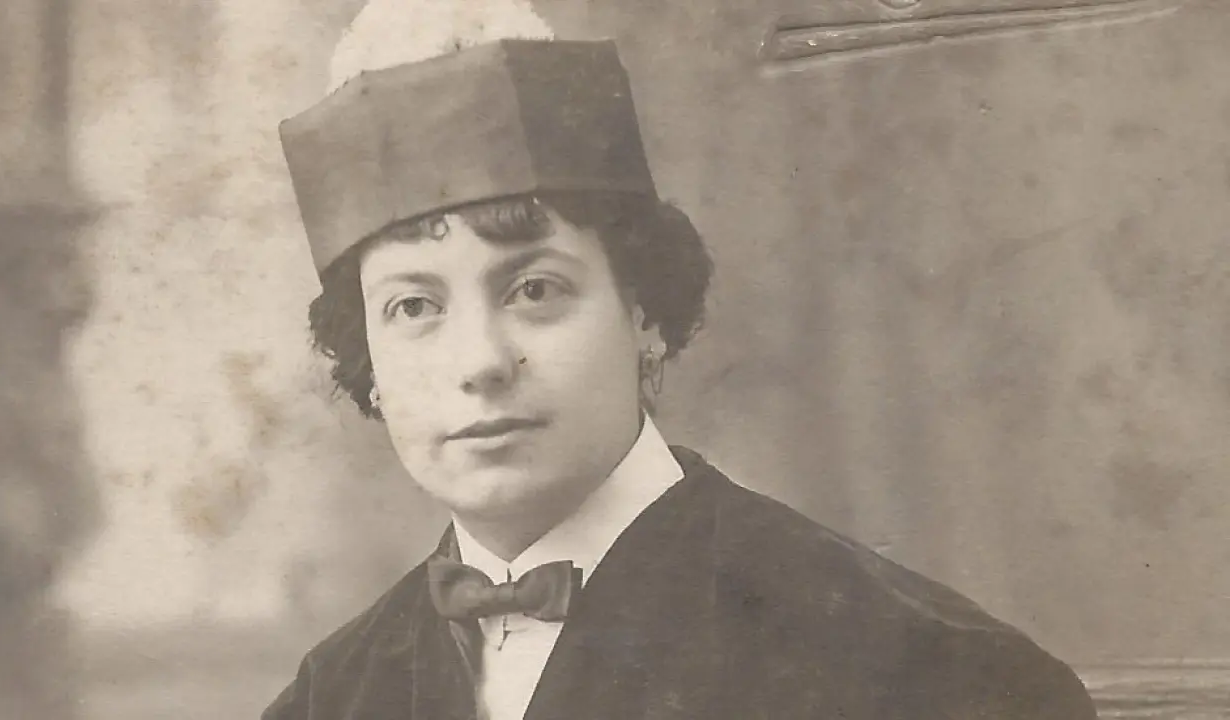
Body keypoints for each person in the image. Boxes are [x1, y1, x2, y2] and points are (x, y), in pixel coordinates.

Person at [265, 3, 1098, 719]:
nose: (479, 361)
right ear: (368, 363)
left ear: (645, 315)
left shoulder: (925, 671)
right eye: (414, 307)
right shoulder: (326, 697)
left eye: (535, 290)